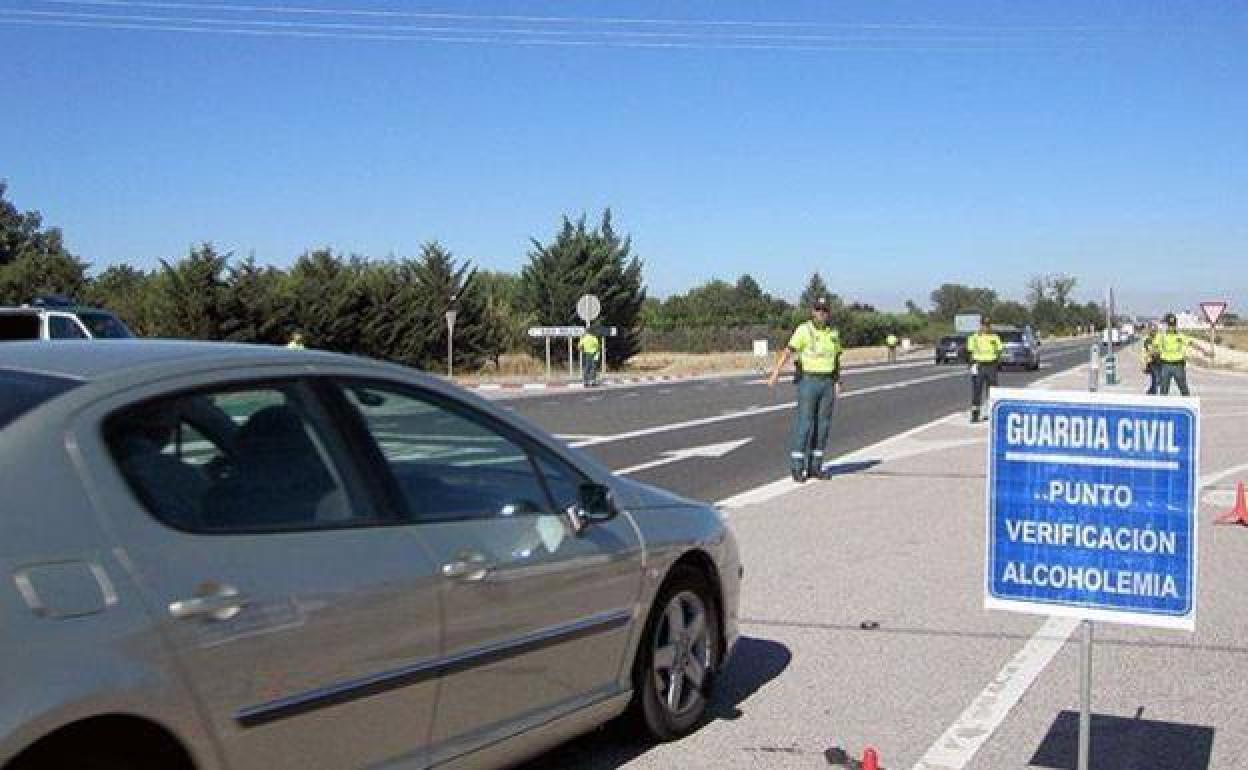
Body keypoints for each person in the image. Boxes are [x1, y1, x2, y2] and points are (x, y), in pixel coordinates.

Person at [768, 297, 843, 482]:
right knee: (805, 423)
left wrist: (837, 381)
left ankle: (815, 466)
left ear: (828, 313)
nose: (821, 314)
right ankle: (797, 467)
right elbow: (788, 351)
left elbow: (836, 358)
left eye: (824, 311)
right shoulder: (804, 330)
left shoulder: (833, 333)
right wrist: (776, 372)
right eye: (818, 310)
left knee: (823, 424)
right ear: (812, 312)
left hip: (827, 382)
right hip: (809, 381)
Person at [967, 317, 1003, 423]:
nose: (985, 327)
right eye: (984, 324)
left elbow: (999, 349)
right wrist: (972, 364)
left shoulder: (994, 337)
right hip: (979, 365)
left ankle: (991, 412)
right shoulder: (974, 337)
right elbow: (970, 351)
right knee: (977, 390)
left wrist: (997, 362)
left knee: (992, 390)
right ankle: (975, 414)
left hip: (991, 365)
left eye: (987, 325)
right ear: (980, 325)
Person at [1156, 313, 1191, 396]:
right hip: (1165, 365)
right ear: (1166, 325)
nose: (1171, 327)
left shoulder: (1180, 336)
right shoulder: (1161, 336)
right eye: (1169, 325)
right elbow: (1155, 347)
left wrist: (1205, 351)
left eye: (1173, 325)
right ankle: (1162, 407)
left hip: (1178, 365)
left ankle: (1188, 405)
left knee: (1184, 389)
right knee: (1163, 390)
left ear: (1175, 325)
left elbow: (1191, 343)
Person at [1141, 321, 1161, 395]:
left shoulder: (1159, 338)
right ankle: (1153, 390)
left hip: (1157, 360)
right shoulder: (1148, 340)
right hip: (1152, 361)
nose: (1153, 331)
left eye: (1154, 330)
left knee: (1155, 377)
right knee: (1155, 377)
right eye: (1152, 330)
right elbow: (1149, 351)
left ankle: (1152, 390)